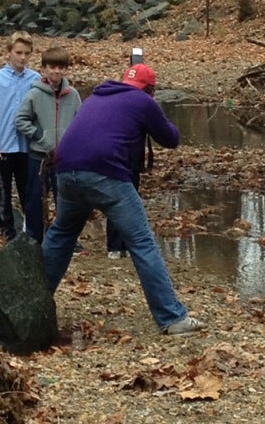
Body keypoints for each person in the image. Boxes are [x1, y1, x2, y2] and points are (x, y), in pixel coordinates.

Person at [41, 63, 207, 336]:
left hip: (65, 172)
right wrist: (154, 112)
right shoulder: (142, 100)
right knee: (141, 241)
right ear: (150, 89)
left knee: (61, 235)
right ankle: (172, 317)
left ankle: (37, 301)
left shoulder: (97, 96)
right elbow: (171, 138)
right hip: (106, 174)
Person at [15, 45, 82, 244]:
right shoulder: (35, 94)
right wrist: (39, 136)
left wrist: (73, 145)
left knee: (66, 200)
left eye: (61, 67)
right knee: (35, 200)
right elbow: (21, 120)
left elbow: (81, 122)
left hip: (64, 158)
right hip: (39, 157)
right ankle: (34, 240)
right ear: (44, 68)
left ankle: (67, 240)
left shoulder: (73, 95)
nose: (56, 71)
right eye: (52, 67)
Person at [0, 30, 40, 241]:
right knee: (2, 190)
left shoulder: (36, 79)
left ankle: (30, 231)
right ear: (9, 52)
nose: (22, 57)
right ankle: (7, 231)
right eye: (18, 52)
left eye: (26, 53)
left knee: (28, 191)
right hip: (2, 145)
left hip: (27, 146)